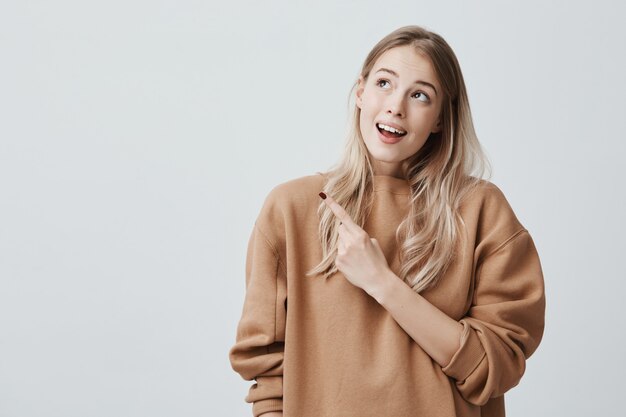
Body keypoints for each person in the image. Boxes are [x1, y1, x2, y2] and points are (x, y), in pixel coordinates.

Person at [228, 25, 546, 417]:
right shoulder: (291, 209)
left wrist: (382, 283)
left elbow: (494, 367)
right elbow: (266, 370)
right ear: (360, 92)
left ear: (441, 119)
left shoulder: (481, 211)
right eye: (384, 83)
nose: (396, 106)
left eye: (419, 95)